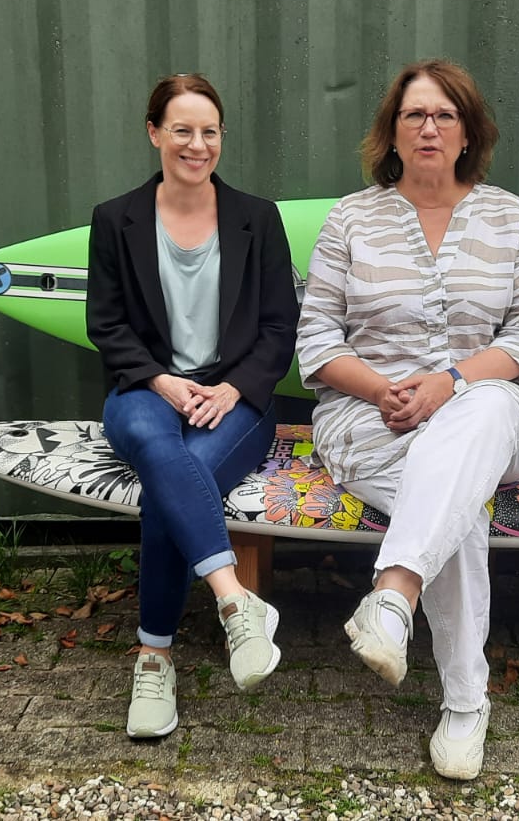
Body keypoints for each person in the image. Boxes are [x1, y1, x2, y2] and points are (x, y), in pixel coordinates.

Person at [296, 60, 519, 781]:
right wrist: (384, 390)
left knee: (482, 413)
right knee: (459, 502)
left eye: (445, 115)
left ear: (468, 131)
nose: (430, 127)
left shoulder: (509, 216)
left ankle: (394, 595)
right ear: (393, 132)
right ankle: (467, 704)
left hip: (498, 415)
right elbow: (316, 341)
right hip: (370, 420)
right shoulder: (351, 219)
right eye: (415, 115)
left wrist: (448, 382)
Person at [85, 73, 299, 740]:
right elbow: (108, 325)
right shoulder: (115, 219)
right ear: (154, 133)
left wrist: (233, 388)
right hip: (145, 394)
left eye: (209, 131)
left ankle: (153, 656)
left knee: (173, 484)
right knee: (160, 452)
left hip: (234, 398)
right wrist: (160, 380)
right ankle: (236, 604)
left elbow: (278, 327)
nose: (196, 144)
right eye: (182, 129)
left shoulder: (255, 218)